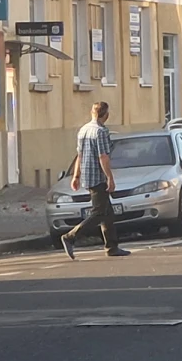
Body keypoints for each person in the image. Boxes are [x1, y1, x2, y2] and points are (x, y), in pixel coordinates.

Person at [60, 101, 129, 259]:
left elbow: (80, 155)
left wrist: (76, 176)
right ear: (106, 115)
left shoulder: (83, 130)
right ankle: (70, 237)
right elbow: (103, 157)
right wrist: (110, 178)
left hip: (87, 175)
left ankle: (112, 246)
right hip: (98, 176)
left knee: (107, 212)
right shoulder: (101, 131)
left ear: (92, 113)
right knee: (99, 212)